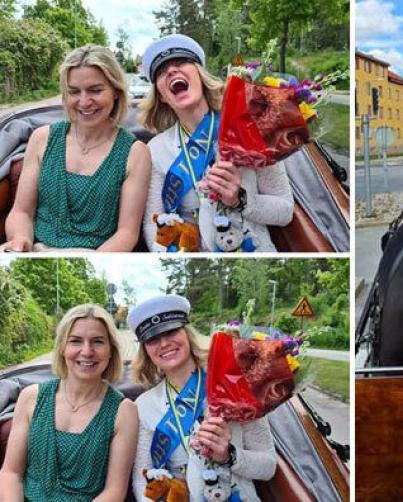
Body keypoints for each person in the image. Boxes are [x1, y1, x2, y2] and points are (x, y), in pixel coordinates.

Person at [138, 34, 293, 252]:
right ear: (162, 96)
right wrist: (170, 255)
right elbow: (151, 222)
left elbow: (286, 211)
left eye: (181, 63)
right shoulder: (156, 149)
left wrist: (239, 200)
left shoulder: (249, 129)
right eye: (162, 72)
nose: (172, 71)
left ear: (200, 76)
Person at [0, 45, 151, 252]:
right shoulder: (42, 138)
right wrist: (20, 239)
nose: (84, 102)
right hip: (37, 252)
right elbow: (21, 212)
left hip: (98, 258)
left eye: (95, 90)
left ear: (116, 92)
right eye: (74, 92)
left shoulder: (135, 153)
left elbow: (127, 233)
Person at [127, 294, 276, 501]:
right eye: (152, 338)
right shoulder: (144, 406)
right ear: (145, 349)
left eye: (171, 331)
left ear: (187, 333)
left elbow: (268, 466)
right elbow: (142, 479)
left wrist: (228, 455)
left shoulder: (235, 384)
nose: (164, 343)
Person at [0, 304, 138, 501]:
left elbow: (114, 492)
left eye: (98, 342)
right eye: (75, 341)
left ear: (111, 351)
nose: (87, 351)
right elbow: (10, 473)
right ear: (62, 348)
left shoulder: (124, 411)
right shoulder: (31, 397)